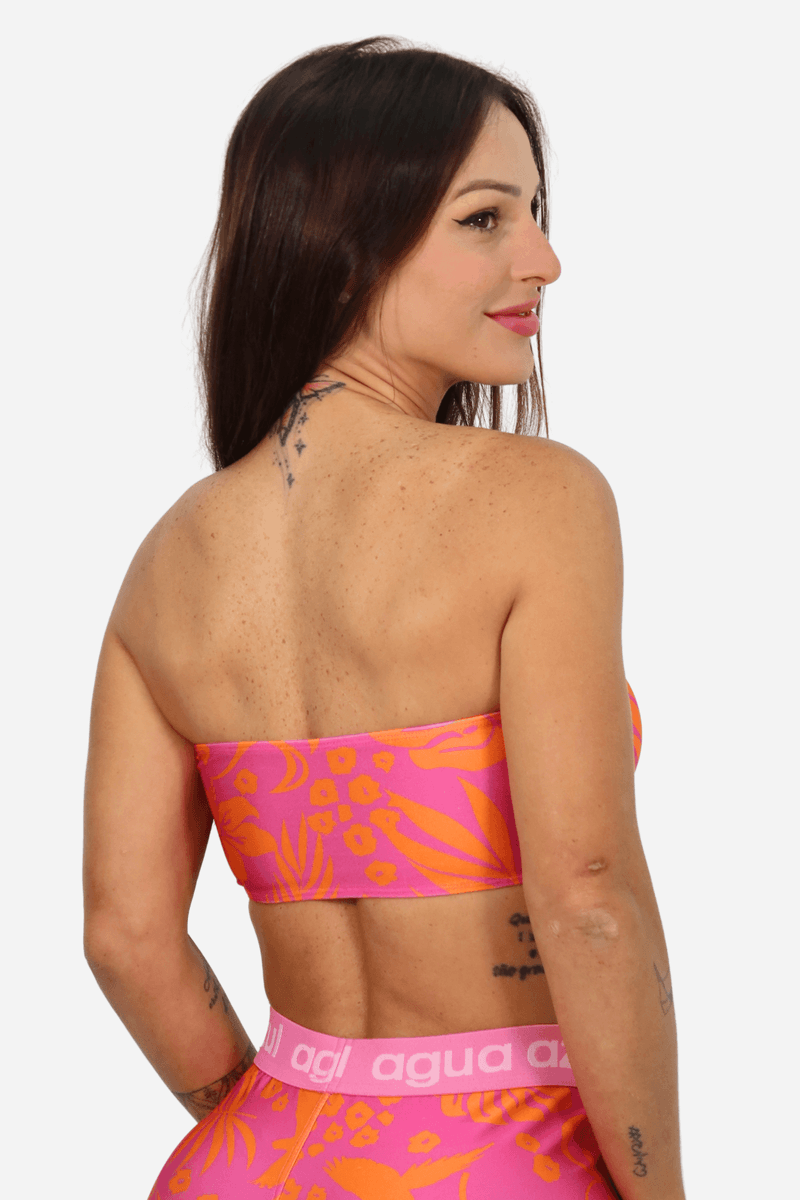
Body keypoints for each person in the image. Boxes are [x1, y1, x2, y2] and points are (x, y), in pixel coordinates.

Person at [83, 35, 685, 1200]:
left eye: (534, 213)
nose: (543, 259)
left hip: (252, 1162)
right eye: (484, 218)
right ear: (345, 243)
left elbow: (125, 936)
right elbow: (587, 901)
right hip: (504, 1155)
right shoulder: (538, 499)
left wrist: (285, 1125)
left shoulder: (167, 559)